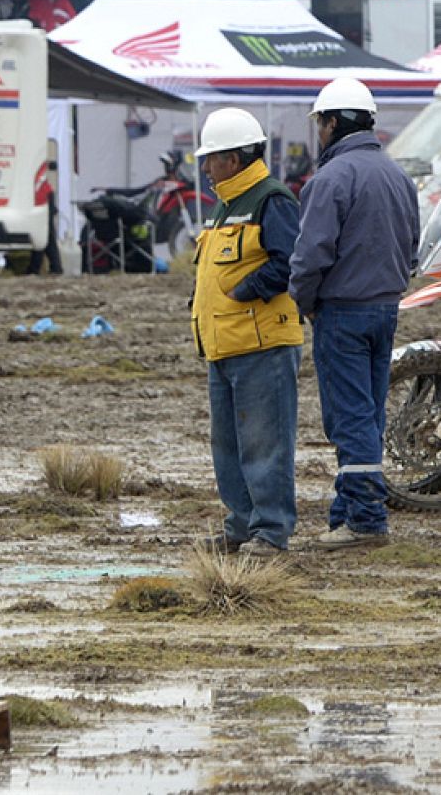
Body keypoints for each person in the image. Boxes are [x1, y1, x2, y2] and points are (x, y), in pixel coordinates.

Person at [289, 78, 419, 551]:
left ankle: (365, 521)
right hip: (385, 309)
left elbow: (310, 256)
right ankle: (345, 513)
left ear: (332, 123)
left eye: (321, 123)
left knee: (350, 418)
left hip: (341, 312)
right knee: (368, 414)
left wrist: (302, 301)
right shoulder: (396, 175)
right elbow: (412, 248)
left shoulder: (331, 179)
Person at [190, 108, 303, 557]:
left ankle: (271, 532)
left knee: (264, 443)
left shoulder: (271, 200)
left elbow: (290, 261)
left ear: (233, 159)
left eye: (212, 159)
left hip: (261, 344)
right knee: (230, 447)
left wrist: (245, 291)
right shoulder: (227, 206)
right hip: (225, 345)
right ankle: (240, 527)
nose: (205, 168)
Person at [28, 140, 63, 275]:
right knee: (46, 234)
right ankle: (52, 266)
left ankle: (37, 267)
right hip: (43, 194)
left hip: (42, 196)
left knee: (45, 233)